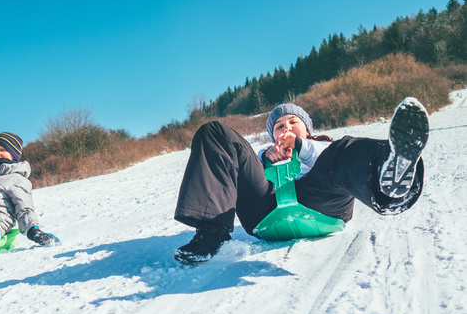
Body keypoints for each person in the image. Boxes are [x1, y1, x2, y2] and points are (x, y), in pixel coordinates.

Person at [173, 97, 429, 264]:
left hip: (321, 203)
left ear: (306, 129)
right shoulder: (265, 154)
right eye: (278, 126)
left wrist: (302, 146)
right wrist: (265, 162)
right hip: (266, 214)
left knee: (344, 148)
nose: (285, 128)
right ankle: (212, 234)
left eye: (293, 123)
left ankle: (390, 184)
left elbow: (326, 157)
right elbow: (244, 181)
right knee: (215, 131)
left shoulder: (320, 146)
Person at [0, 131, 59, 247]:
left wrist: (33, 231)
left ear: (13, 155)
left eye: (2, 150)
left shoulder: (16, 179)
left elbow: (24, 208)